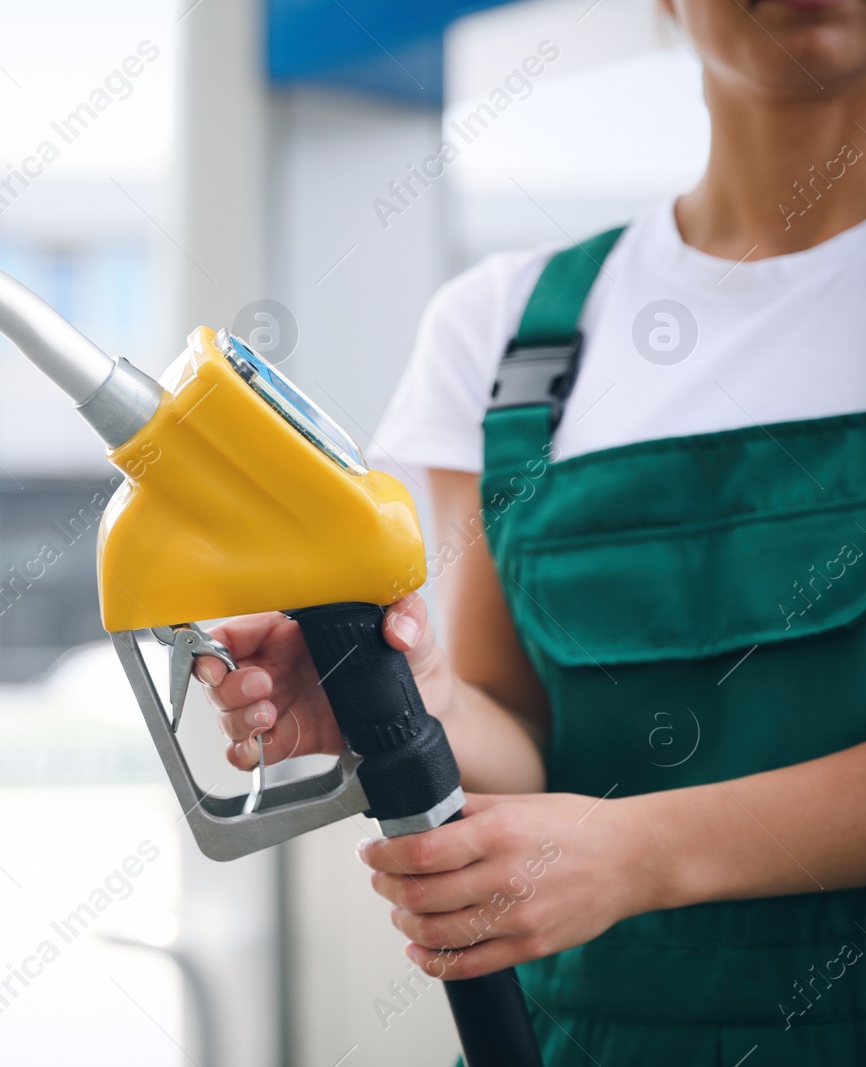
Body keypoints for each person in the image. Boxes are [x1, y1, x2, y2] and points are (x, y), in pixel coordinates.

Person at [197, 0, 866, 1061]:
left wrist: (639, 852)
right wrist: (403, 699)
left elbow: (614, 840)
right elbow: (520, 728)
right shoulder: (508, 329)